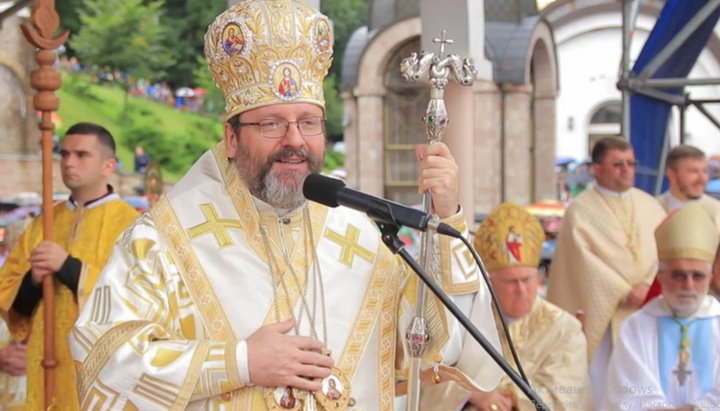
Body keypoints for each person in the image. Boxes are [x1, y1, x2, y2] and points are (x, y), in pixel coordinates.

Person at [69, 1, 499, 409]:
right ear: (233, 138)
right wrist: (240, 362)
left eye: (308, 123)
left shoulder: (358, 232)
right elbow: (105, 358)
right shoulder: (164, 241)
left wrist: (446, 220)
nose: (295, 141)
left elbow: (431, 343)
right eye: (272, 123)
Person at [0, 122, 139, 410]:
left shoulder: (130, 225)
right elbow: (10, 297)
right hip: (42, 361)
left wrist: (68, 267)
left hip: (99, 370)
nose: (69, 163)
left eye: (81, 155)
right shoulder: (44, 222)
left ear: (108, 165)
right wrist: (33, 280)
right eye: (64, 154)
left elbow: (136, 297)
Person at [422, 203, 592, 410]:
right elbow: (430, 378)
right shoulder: (467, 321)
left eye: (527, 280)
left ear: (540, 277)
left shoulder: (565, 329)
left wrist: (510, 397)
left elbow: (565, 395)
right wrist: (469, 392)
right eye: (511, 282)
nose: (521, 290)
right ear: (490, 282)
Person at [546, 136, 667, 408]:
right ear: (597, 169)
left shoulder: (651, 205)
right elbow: (583, 262)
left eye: (631, 163)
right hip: (604, 317)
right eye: (618, 164)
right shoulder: (581, 210)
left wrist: (648, 285)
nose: (627, 170)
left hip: (647, 312)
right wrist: (624, 290)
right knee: (606, 390)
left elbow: (664, 253)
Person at [603, 203, 720, 410]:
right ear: (661, 277)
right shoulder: (637, 326)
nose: (688, 285)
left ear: (710, 278)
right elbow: (627, 391)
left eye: (698, 276)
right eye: (679, 275)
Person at [656, 144, 720, 216]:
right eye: (693, 171)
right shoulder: (653, 209)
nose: (702, 179)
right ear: (672, 175)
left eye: (705, 171)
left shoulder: (717, 212)